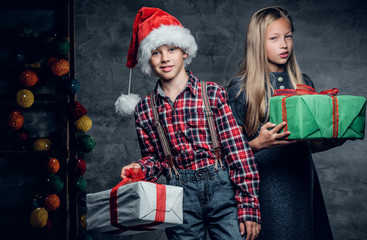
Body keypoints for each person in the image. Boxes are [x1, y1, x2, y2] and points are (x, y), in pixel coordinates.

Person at [118, 7, 261, 240]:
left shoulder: (212, 93)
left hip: (223, 194)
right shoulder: (145, 109)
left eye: (171, 49)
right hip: (179, 198)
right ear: (147, 60)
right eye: (156, 52)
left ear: (184, 51)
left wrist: (249, 207)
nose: (165, 58)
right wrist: (141, 169)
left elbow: (238, 152)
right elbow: (156, 160)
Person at [227, 6, 345, 240]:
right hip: (265, 189)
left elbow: (305, 142)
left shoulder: (304, 83)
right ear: (257, 43)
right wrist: (259, 143)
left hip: (302, 183)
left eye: (288, 37)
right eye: (274, 38)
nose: (284, 45)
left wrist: (335, 138)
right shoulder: (241, 89)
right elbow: (229, 154)